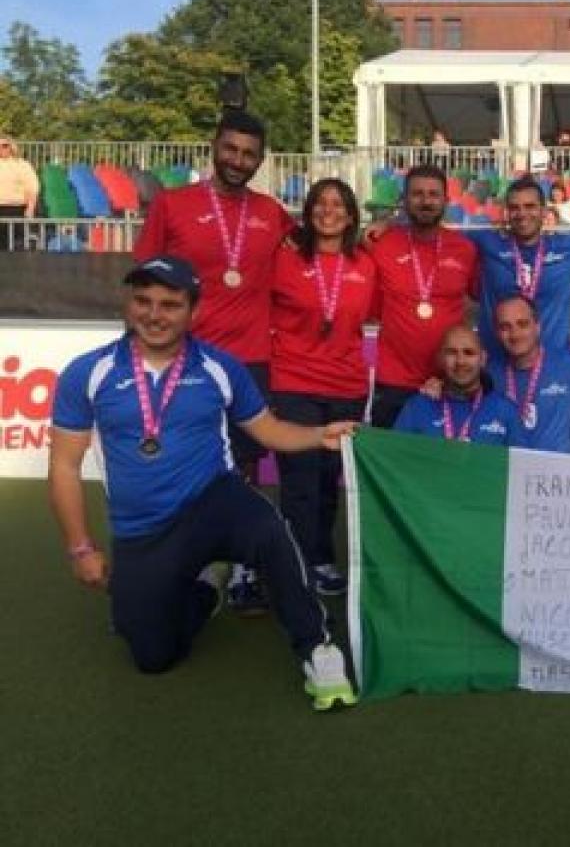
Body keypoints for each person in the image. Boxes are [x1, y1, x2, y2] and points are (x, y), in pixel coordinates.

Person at [47, 256, 357, 711]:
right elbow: (65, 467)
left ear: (194, 312)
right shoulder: (87, 372)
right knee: (152, 656)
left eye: (170, 304)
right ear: (127, 304)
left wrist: (317, 436)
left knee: (271, 528)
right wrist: (80, 548)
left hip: (214, 500)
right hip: (145, 526)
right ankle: (209, 586)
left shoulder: (219, 366)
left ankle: (318, 649)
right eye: (143, 301)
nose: (154, 315)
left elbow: (267, 430)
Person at [133, 109, 295, 615]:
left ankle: (245, 570)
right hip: (183, 360)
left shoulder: (272, 213)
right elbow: (143, 282)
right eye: (230, 149)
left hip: (248, 361)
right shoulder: (172, 205)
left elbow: (319, 247)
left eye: (249, 154)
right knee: (179, 465)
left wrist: (375, 234)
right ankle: (174, 568)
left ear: (261, 160)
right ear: (213, 147)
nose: (238, 161)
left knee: (245, 468)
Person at [270, 179, 375, 596]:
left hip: (347, 385)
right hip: (294, 381)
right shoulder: (285, 259)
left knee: (330, 479)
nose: (328, 211)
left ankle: (322, 558)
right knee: (299, 479)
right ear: (309, 210)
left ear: (351, 216)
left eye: (338, 205)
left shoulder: (366, 263)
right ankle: (295, 560)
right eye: (320, 203)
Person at [368, 165, 478, 428]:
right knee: (389, 463)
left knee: (445, 464)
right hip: (393, 380)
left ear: (445, 200)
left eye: (433, 194)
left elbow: (475, 301)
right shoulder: (379, 244)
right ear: (404, 201)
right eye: (417, 194)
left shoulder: (465, 249)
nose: (426, 201)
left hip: (449, 378)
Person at [467, 177, 570, 357]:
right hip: (497, 364)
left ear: (544, 211)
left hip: (552, 366)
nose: (522, 214)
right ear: (506, 212)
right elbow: (443, 238)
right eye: (514, 208)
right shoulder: (488, 242)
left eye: (530, 206)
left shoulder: (569, 246)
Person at [394, 325, 526, 446]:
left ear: (483, 359)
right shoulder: (417, 407)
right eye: (452, 352)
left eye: (468, 352)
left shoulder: (505, 411)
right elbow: (395, 458)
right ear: (440, 359)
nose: (460, 361)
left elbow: (521, 466)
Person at [486, 295, 570, 453]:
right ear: (497, 332)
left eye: (522, 324)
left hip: (561, 474)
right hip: (508, 470)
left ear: (537, 326)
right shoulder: (488, 373)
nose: (515, 334)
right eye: (505, 327)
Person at [0, 135, 39, 251]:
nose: (1, 148)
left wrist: (30, 208)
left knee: (14, 247)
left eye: (4, 146)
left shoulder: (22, 165)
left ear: (11, 147)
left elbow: (32, 188)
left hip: (15, 209)